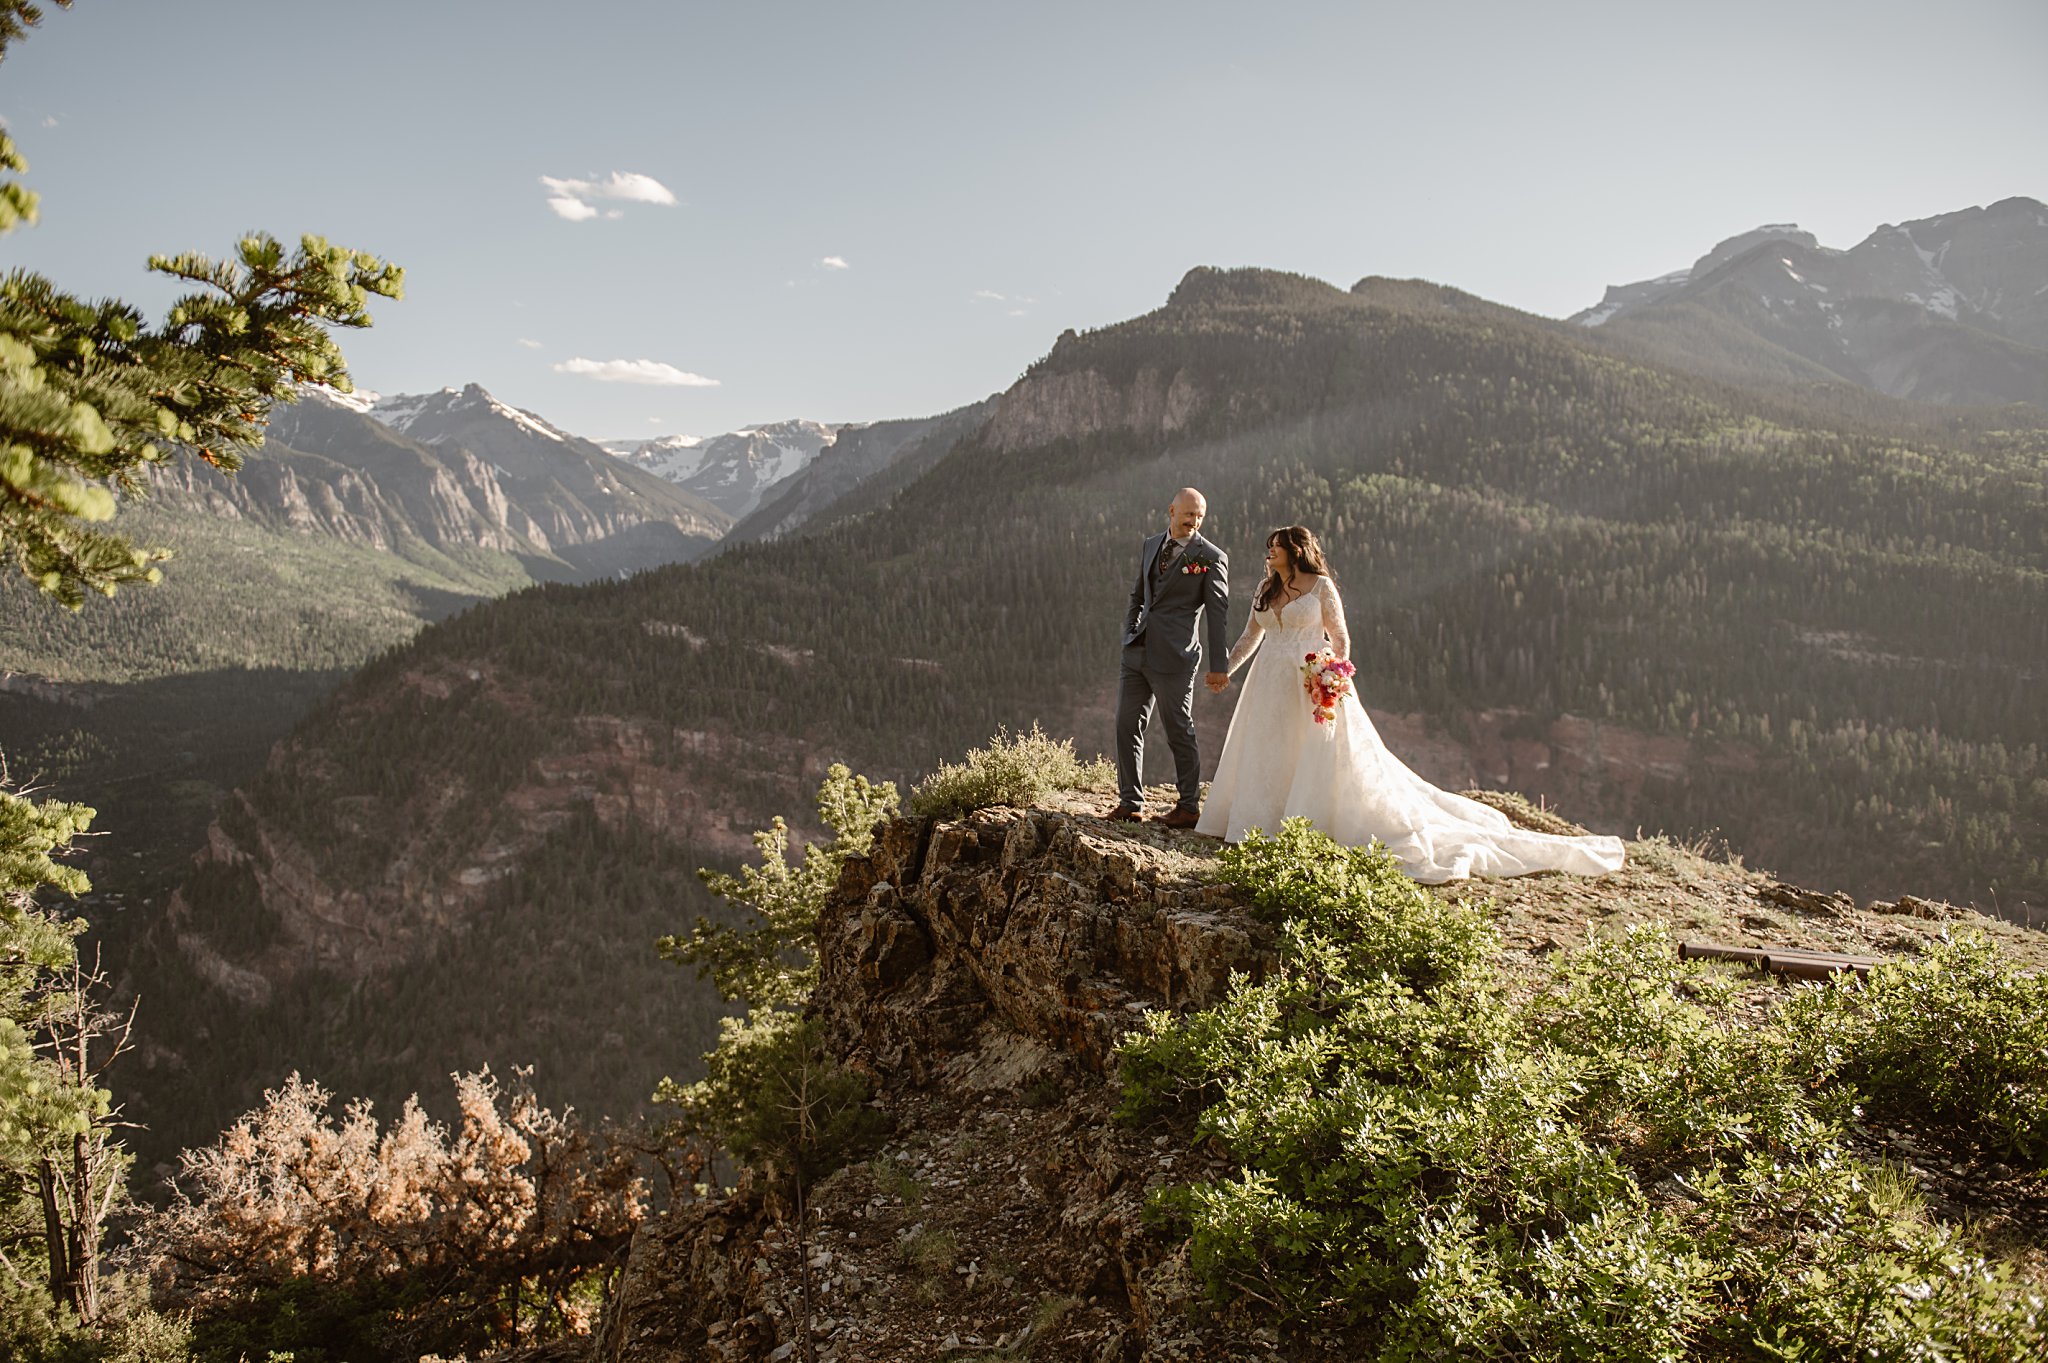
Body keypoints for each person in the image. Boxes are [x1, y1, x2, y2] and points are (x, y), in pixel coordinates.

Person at [1196, 525, 1626, 882]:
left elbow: (1340, 636)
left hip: (1310, 680)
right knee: (1267, 747)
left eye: (1275, 547)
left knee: (1310, 751)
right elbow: (1251, 636)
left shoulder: (1321, 586)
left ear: (1295, 551)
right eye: (1269, 547)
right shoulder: (1265, 588)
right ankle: (1259, 821)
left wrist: (1333, 675)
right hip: (1267, 682)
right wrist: (1224, 670)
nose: (1268, 552)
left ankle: (1304, 821)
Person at [1112, 488, 1231, 827]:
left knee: (1179, 730)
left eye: (1200, 516)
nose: (1195, 521)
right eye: (1189, 514)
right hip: (1137, 650)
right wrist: (1129, 632)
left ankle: (1189, 807)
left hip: (1176, 658)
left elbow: (1217, 614)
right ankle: (1130, 803)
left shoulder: (1210, 556)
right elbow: (1138, 594)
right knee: (1126, 725)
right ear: (1172, 510)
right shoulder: (1151, 544)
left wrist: (1219, 667)